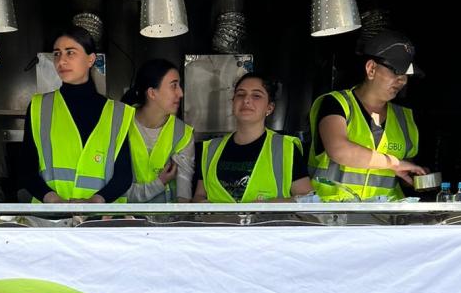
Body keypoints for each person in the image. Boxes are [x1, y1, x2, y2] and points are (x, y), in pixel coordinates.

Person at [308, 31, 427, 201]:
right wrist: (394, 163)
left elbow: (403, 174)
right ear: (371, 69)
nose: (403, 80)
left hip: (384, 214)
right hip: (333, 212)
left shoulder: (404, 118)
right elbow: (339, 150)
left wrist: (415, 176)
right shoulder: (336, 104)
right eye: (397, 71)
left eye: (406, 75)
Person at [21, 26, 134, 203]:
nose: (61, 61)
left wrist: (94, 203)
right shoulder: (39, 107)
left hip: (100, 217)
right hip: (51, 216)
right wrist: (53, 200)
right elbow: (26, 169)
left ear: (91, 59)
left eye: (70, 53)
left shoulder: (119, 113)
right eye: (57, 54)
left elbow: (124, 175)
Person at [193, 74, 312, 203]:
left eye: (256, 96)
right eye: (240, 94)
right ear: (233, 103)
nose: (246, 100)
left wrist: (269, 205)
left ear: (269, 108)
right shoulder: (210, 149)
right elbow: (199, 195)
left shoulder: (285, 148)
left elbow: (308, 199)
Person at [123, 59, 195, 202]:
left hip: (167, 216)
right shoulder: (120, 125)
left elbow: (183, 196)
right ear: (152, 93)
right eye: (174, 86)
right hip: (125, 215)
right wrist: (158, 184)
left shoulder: (183, 134)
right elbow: (115, 190)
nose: (180, 93)